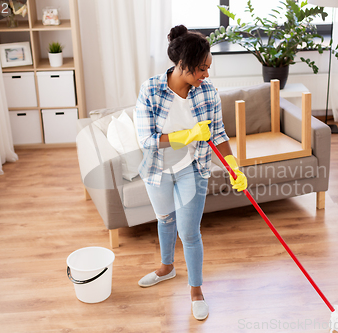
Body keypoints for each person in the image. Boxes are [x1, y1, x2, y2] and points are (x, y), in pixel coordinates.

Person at [134, 25, 248, 321]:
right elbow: (145, 139)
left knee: (189, 232)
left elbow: (219, 133)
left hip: (192, 169)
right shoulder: (151, 89)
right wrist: (185, 135)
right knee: (165, 219)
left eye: (208, 68)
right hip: (158, 169)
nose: (206, 75)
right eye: (201, 68)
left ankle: (196, 291)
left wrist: (233, 165)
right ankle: (166, 267)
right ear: (182, 64)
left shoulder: (208, 92)